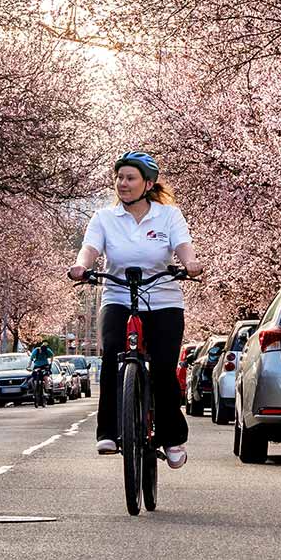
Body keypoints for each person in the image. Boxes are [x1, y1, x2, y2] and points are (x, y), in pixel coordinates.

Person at [67, 151, 203, 468]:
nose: (122, 183)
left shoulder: (168, 216)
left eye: (130, 178)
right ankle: (109, 432)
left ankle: (171, 437)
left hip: (163, 299)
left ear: (148, 183)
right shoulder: (104, 218)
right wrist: (81, 265)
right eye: (119, 177)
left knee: (163, 370)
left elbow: (183, 245)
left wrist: (191, 263)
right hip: (117, 295)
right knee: (113, 354)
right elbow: (90, 248)